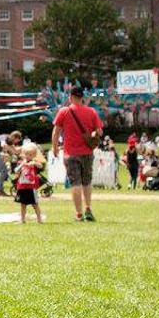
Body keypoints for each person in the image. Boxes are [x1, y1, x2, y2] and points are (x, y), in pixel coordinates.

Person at [51, 85, 103, 222]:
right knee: (87, 182)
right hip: (87, 152)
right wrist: (92, 133)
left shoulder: (64, 111)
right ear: (82, 98)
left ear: (70, 97)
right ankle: (88, 209)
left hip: (71, 153)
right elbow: (99, 131)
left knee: (76, 183)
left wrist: (54, 148)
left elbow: (56, 132)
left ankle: (79, 214)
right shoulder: (91, 111)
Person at [14, 144, 44, 223]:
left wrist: (34, 163)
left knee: (35, 204)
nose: (28, 156)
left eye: (30, 155)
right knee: (22, 204)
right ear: (24, 154)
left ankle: (39, 219)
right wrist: (21, 165)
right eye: (26, 154)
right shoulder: (21, 162)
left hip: (31, 187)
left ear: (34, 155)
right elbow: (16, 170)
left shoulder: (34, 162)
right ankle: (22, 220)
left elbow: (41, 166)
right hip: (22, 186)